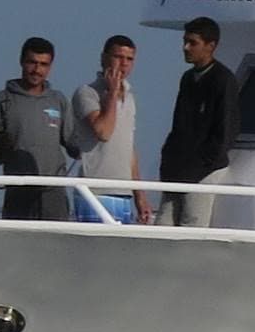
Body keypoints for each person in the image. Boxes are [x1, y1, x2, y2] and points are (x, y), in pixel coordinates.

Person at [0, 39, 73, 220]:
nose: (37, 70)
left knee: (57, 237)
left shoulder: (58, 100)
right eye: (32, 62)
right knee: (17, 237)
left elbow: (73, 144)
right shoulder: (1, 100)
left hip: (53, 191)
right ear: (22, 61)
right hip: (18, 188)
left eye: (43, 64)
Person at [155, 16, 234, 224]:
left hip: (204, 170)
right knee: (162, 224)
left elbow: (226, 132)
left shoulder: (223, 80)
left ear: (211, 46)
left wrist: (200, 164)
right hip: (178, 169)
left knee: (192, 223)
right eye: (185, 41)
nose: (186, 48)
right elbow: (179, 126)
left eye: (192, 43)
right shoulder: (188, 79)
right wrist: (168, 159)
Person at [67, 34, 144, 222]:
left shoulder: (130, 97)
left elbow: (129, 149)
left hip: (123, 190)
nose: (123, 64)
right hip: (95, 190)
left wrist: (139, 196)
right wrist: (112, 94)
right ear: (104, 58)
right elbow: (103, 132)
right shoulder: (87, 93)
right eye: (118, 57)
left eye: (129, 59)